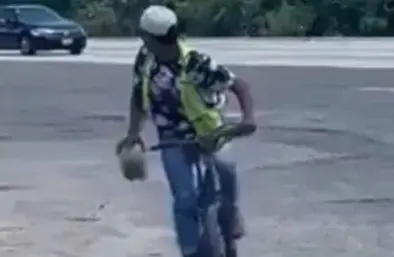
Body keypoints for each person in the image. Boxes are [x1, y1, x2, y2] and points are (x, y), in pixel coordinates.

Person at [116, 5, 256, 257]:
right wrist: (133, 133)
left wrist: (248, 118)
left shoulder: (197, 64)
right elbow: (138, 96)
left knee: (226, 173)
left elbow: (239, 85)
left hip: (211, 133)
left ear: (154, 38)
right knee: (185, 198)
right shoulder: (145, 59)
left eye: (145, 37)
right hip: (172, 137)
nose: (143, 42)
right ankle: (191, 252)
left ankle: (231, 215)